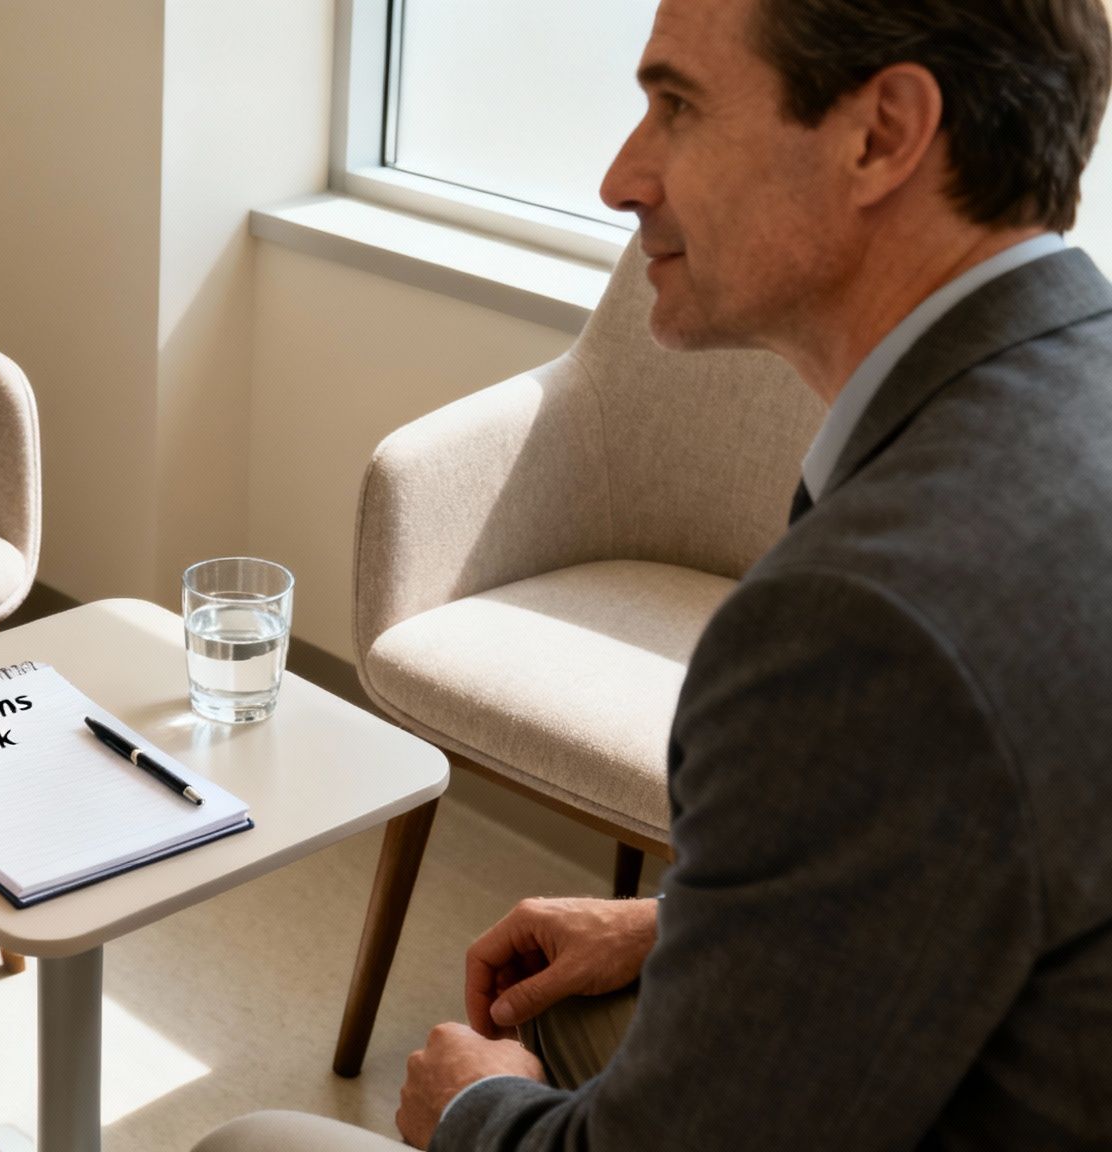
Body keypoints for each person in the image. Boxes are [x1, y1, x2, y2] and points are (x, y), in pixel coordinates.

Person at [197, 0, 1112, 1148]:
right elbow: (954, 857)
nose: (619, 177)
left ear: (881, 133)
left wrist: (470, 1112)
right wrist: (675, 922)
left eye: (674, 106)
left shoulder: (862, 623)